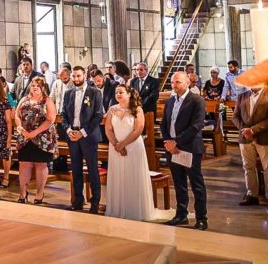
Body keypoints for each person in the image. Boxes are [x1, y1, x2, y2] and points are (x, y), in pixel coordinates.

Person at [105, 85, 163, 222]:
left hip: (132, 147)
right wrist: (116, 145)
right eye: (116, 92)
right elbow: (108, 129)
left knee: (132, 176)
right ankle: (118, 209)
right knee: (119, 176)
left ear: (129, 94)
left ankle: (134, 210)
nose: (118, 94)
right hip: (115, 148)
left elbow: (139, 129)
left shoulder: (137, 109)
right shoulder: (112, 109)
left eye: (121, 92)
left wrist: (123, 144)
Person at [161, 71, 208, 229]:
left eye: (178, 82)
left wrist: (176, 142)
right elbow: (164, 124)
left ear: (187, 83)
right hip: (172, 148)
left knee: (196, 184)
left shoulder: (196, 100)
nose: (174, 85)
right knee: (179, 183)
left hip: (189, 147)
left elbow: (196, 126)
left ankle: (201, 218)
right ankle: (181, 215)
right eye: (173, 82)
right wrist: (168, 141)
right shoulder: (170, 101)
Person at [63, 66, 104, 212]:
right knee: (76, 169)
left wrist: (83, 132)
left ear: (85, 75)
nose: (76, 79)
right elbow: (64, 115)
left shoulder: (95, 92)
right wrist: (68, 130)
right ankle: (78, 201)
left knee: (93, 170)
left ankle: (95, 203)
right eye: (74, 76)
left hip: (88, 136)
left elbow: (98, 115)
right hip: (72, 136)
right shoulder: (68, 93)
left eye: (78, 76)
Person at [232, 84, 268, 209]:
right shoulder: (242, 96)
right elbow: (235, 116)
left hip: (264, 137)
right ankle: (252, 194)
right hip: (245, 137)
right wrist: (244, 130)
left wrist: (253, 130)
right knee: (248, 167)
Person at [14, 77, 56, 204]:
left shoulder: (47, 101)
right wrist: (21, 129)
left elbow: (51, 119)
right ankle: (22, 193)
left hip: (42, 137)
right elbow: (17, 115)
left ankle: (39, 193)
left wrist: (35, 133)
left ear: (43, 87)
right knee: (24, 164)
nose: (35, 87)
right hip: (25, 136)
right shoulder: (24, 99)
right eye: (33, 85)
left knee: (40, 165)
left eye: (38, 85)